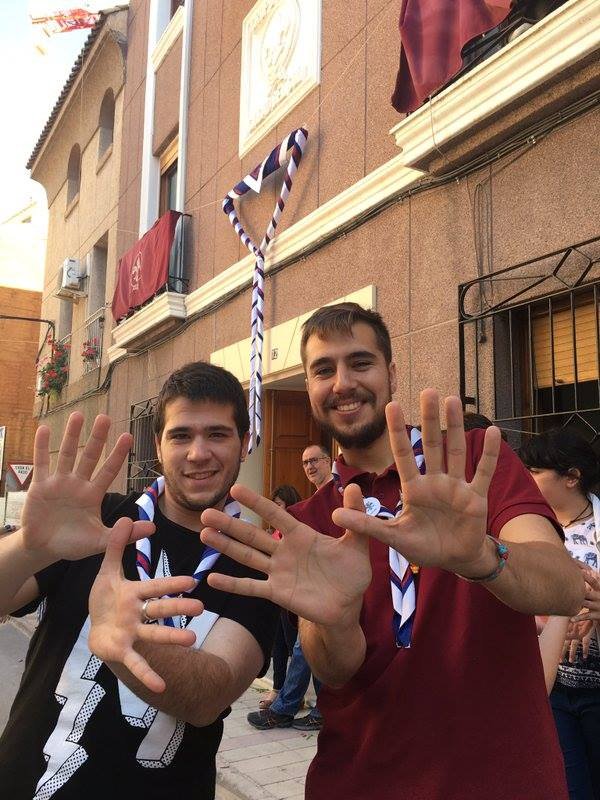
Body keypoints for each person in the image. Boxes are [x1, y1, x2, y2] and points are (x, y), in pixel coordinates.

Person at [199, 302, 584, 800]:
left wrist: (483, 558)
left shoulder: (471, 465)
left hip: (504, 778)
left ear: (392, 374)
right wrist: (333, 620)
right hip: (360, 780)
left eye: (359, 362)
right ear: (311, 390)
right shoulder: (307, 526)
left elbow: (563, 586)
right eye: (323, 370)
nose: (342, 382)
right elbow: (336, 673)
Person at [0, 362, 278, 800]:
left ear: (245, 443)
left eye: (218, 434)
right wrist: (30, 546)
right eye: (181, 435)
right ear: (158, 444)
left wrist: (127, 639)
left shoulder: (256, 566)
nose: (198, 452)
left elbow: (208, 696)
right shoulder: (98, 519)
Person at [520, 428, 600, 800]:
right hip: (554, 690)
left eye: (535, 472)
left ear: (572, 477)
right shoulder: (531, 530)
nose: (526, 480)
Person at [248, 454, 332, 731]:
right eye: (305, 462)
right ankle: (318, 707)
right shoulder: (314, 502)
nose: (309, 466)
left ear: (330, 461)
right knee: (305, 648)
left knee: (304, 648)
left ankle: (287, 707)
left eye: (315, 460)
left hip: (326, 588)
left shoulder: (337, 497)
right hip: (304, 588)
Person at [259, 484, 302, 711]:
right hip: (275, 594)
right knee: (278, 645)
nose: (274, 510)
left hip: (293, 597)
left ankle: (293, 696)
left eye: (278, 505)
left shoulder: (299, 531)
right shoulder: (275, 530)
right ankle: (278, 689)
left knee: (294, 646)